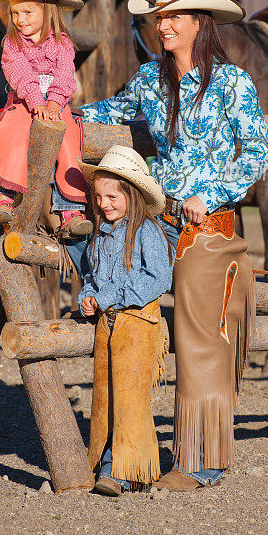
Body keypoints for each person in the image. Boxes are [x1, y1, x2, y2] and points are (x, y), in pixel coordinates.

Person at [78, 0, 268, 491]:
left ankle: (200, 458)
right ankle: (124, 452)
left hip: (207, 226)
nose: (163, 26)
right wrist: (56, 112)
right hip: (155, 225)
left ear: (198, 23)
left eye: (173, 17)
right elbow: (103, 111)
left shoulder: (233, 84)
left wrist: (209, 195)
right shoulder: (149, 80)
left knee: (199, 341)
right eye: (160, 17)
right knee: (130, 326)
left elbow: (259, 149)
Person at [77, 145, 174, 496]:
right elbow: (92, 277)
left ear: (132, 195)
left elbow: (160, 279)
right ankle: (105, 461)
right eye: (99, 196)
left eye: (113, 196)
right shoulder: (99, 235)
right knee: (103, 396)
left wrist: (108, 297)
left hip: (138, 324)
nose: (105, 204)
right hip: (109, 325)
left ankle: (121, 469)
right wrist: (87, 297)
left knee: (130, 398)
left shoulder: (147, 232)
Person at [0, 0, 92, 235]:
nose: (20, 19)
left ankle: (71, 209)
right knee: (11, 131)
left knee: (69, 140)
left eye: (28, 12)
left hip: (56, 104)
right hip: (24, 101)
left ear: (48, 10)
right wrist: (36, 101)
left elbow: (66, 74)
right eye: (15, 13)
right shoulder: (12, 43)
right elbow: (19, 72)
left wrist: (55, 102)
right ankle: (4, 197)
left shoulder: (63, 43)